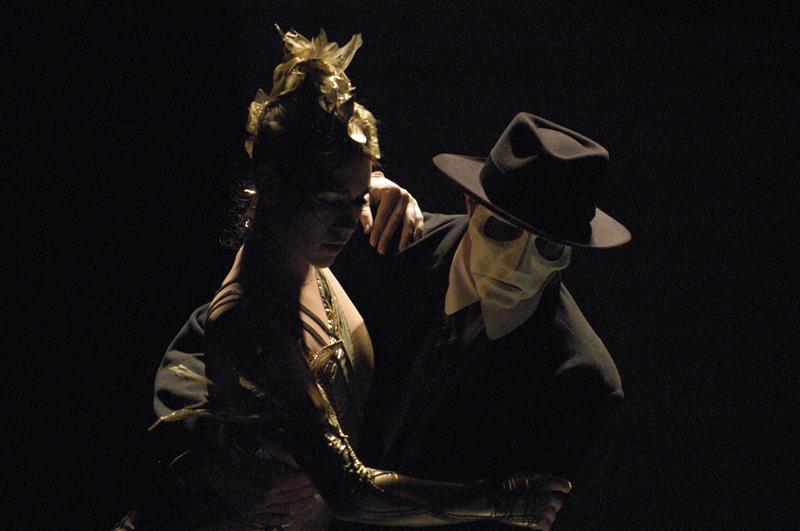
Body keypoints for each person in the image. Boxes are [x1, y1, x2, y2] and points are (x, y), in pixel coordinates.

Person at [143, 27, 570, 531]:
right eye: (330, 202)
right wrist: (506, 502)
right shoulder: (251, 309)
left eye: (358, 198)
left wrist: (367, 189)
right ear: (273, 188)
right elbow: (348, 491)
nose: (349, 222)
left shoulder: (317, 252)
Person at [334, 112, 631, 530]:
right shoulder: (386, 247)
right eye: (503, 232)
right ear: (471, 205)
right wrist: (352, 197)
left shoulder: (579, 380)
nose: (517, 267)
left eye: (548, 248)